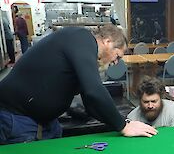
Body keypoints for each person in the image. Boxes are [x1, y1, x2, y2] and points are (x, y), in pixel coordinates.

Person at [0, 24, 157, 144]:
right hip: (17, 119)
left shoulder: (80, 52)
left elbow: (91, 103)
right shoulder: (82, 38)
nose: (116, 63)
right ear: (107, 42)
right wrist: (123, 126)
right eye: (117, 56)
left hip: (45, 123)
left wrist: (122, 122)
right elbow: (94, 91)